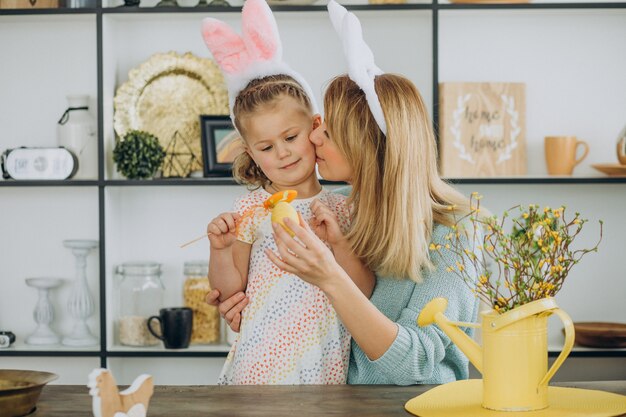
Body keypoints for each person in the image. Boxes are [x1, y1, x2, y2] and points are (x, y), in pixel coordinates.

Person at [206, 0, 481, 385]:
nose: (311, 138)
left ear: (364, 150)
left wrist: (329, 274)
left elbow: (416, 365)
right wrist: (249, 304)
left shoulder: (453, 233)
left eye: (327, 131)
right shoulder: (356, 213)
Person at [201, 0, 374, 385]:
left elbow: (363, 293)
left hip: (323, 367)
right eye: (265, 147)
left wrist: (341, 244)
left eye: (291, 137)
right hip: (258, 367)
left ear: (314, 126)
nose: (282, 153)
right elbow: (230, 292)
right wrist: (220, 249)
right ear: (251, 155)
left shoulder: (343, 207)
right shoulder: (250, 208)